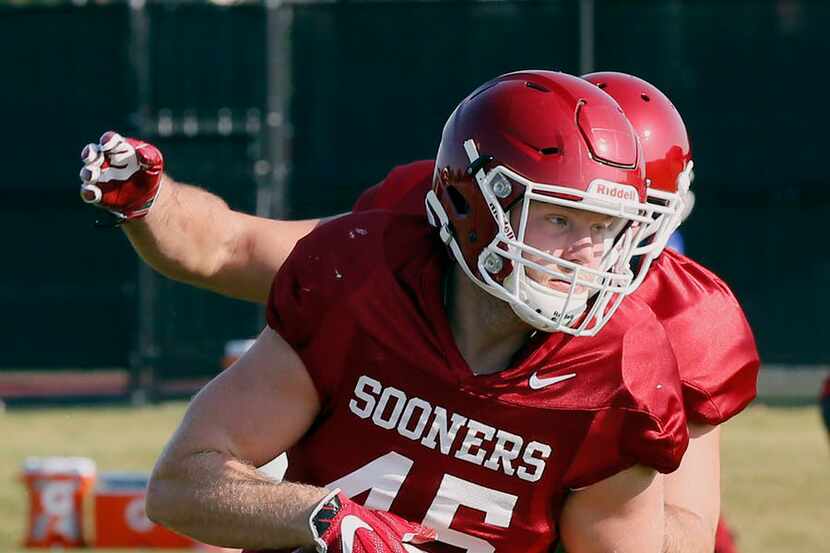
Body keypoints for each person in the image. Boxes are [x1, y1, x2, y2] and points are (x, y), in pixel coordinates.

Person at [83, 71, 690, 553]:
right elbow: (179, 484)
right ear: (469, 202)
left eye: (605, 228)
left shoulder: (623, 365)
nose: (586, 254)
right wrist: (324, 520)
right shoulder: (362, 284)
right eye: (559, 218)